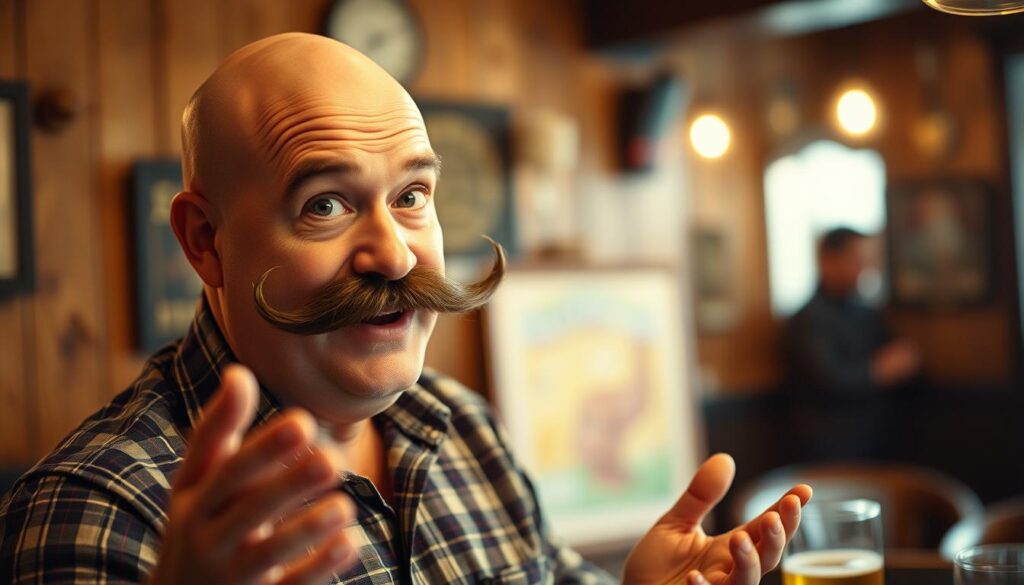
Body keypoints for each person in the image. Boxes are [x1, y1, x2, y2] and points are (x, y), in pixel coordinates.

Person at [1, 33, 810, 584]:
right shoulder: (95, 507)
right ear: (205, 241)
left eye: (413, 195)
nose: (393, 253)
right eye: (325, 204)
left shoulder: (463, 428)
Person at [783, 227, 921, 459]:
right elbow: (829, 379)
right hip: (831, 445)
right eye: (856, 260)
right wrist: (879, 371)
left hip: (879, 437)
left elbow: (897, 355)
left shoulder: (866, 312)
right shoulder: (807, 319)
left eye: (867, 261)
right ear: (827, 260)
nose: (864, 269)